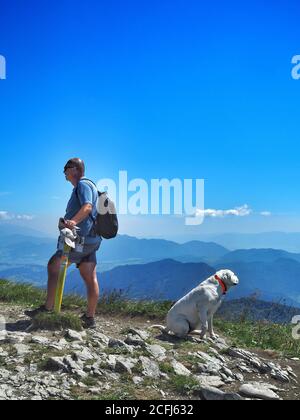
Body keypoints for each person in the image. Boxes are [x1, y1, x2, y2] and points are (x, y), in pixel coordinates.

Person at [26, 158, 102, 328]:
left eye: (66, 169)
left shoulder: (83, 185)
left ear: (75, 169)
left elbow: (88, 207)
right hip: (92, 240)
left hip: (78, 240)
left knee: (54, 266)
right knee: (90, 277)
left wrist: (72, 222)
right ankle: (89, 318)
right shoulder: (92, 187)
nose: (64, 173)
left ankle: (48, 309)